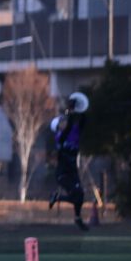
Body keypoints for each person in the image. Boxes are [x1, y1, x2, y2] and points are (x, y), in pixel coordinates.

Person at [49, 94, 88, 231]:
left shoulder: (74, 132)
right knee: (75, 194)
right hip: (63, 173)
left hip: (72, 171)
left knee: (80, 195)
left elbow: (82, 121)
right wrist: (70, 110)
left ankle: (77, 218)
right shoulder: (60, 138)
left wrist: (80, 108)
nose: (63, 122)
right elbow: (69, 125)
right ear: (57, 128)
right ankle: (58, 198)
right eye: (60, 122)